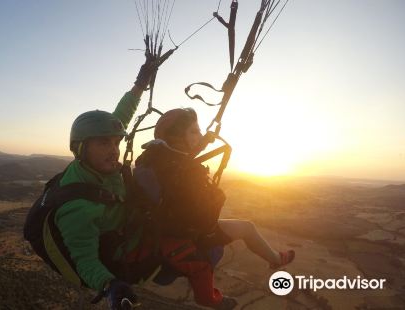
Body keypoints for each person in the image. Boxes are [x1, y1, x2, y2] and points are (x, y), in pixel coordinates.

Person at [24, 55, 162, 310]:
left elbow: (120, 116)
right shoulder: (77, 206)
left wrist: (140, 84)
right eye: (103, 143)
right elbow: (84, 260)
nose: (114, 150)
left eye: (115, 142)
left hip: (127, 219)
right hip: (122, 250)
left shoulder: (94, 163)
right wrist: (110, 286)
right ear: (82, 148)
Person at [132, 108, 295, 309]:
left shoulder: (157, 159)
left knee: (247, 227)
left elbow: (182, 159)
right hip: (178, 234)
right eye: (194, 132)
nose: (199, 136)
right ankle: (209, 298)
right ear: (176, 137)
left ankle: (277, 259)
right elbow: (201, 219)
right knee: (204, 260)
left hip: (172, 226)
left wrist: (205, 140)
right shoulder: (176, 170)